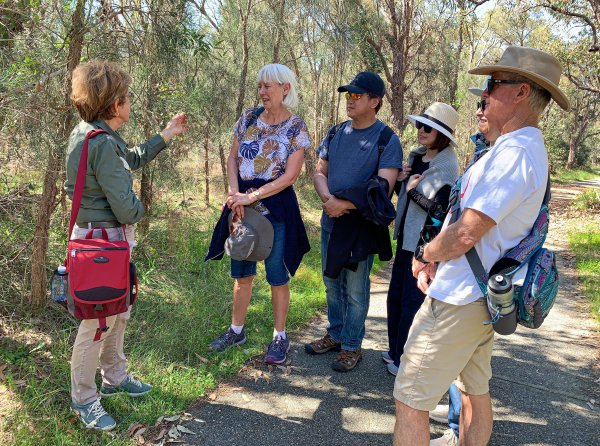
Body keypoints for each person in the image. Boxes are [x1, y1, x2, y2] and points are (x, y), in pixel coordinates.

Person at [393, 46, 570, 445]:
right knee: (475, 390)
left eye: (492, 85)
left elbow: (467, 231)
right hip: (477, 296)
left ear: (522, 92)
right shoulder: (512, 149)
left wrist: (425, 255)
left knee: (410, 400)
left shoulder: (517, 153)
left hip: (460, 301)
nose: (481, 99)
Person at [65, 60, 188, 430]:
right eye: (127, 97)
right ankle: (84, 399)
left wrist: (166, 134)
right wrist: (141, 206)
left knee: (118, 311)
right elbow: (126, 208)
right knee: (96, 322)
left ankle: (114, 377)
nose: (129, 102)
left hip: (101, 240)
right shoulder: (100, 142)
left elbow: (129, 158)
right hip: (103, 241)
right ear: (115, 104)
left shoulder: (95, 134)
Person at [205, 63, 311, 365]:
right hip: (241, 205)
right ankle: (236, 330)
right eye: (260, 86)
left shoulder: (296, 127)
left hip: (275, 208)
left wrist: (251, 196)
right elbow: (232, 159)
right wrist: (235, 195)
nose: (262, 92)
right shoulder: (248, 118)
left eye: (268, 86)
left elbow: (290, 177)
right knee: (241, 272)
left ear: (285, 88)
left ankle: (280, 337)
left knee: (277, 275)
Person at [306, 71, 402, 372]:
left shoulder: (387, 139)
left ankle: (351, 345)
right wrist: (327, 201)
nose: (351, 100)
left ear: (375, 101)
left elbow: (384, 187)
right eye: (349, 95)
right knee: (331, 283)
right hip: (330, 222)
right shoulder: (336, 133)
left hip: (359, 229)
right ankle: (334, 334)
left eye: (358, 96)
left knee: (356, 290)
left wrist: (342, 205)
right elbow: (320, 171)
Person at [430, 79, 502, 446]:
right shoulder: (485, 149)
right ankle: (458, 431)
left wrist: (427, 254)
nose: (479, 109)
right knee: (472, 380)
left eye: (487, 101)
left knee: (415, 391)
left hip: (472, 286)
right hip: (471, 281)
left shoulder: (510, 158)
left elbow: (468, 229)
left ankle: (458, 430)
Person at [383, 102, 459, 377]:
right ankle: (394, 351)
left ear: (443, 134)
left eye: (428, 128)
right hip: (404, 237)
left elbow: (440, 210)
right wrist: (403, 181)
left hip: (423, 245)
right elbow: (404, 195)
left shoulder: (447, 166)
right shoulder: (417, 157)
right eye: (419, 125)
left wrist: (412, 190)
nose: (421, 131)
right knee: (395, 297)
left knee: (411, 303)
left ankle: (405, 359)